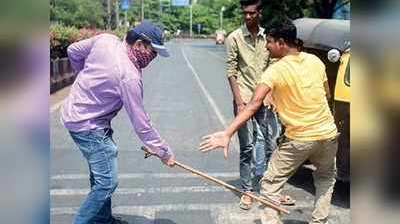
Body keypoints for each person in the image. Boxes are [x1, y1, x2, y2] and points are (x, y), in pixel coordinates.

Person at [200, 20, 337, 224]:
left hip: (299, 139)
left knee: (270, 185)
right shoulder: (315, 61)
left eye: (270, 42)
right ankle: (319, 222)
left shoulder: (275, 71)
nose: (266, 46)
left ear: (281, 43)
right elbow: (326, 95)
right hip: (328, 135)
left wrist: (228, 133)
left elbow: (254, 104)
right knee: (325, 179)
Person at [60, 20, 175, 224]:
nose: (153, 57)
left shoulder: (106, 40)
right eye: (153, 51)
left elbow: (73, 50)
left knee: (99, 177)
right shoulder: (129, 76)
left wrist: (86, 78)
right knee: (107, 183)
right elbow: (141, 124)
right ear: (139, 44)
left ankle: (103, 219)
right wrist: (164, 151)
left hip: (73, 113)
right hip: (90, 127)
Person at [225, 0, 282, 210]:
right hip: (244, 98)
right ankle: (247, 190)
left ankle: (269, 190)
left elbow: (274, 67)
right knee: (248, 146)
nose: (248, 17)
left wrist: (272, 95)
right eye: (245, 13)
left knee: (271, 143)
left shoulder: (268, 38)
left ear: (260, 13)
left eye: (251, 13)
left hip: (265, 97)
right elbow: (231, 71)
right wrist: (239, 102)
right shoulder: (234, 38)